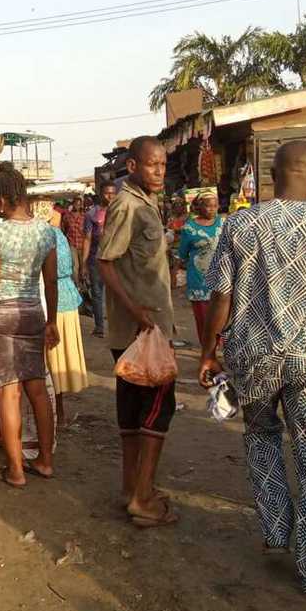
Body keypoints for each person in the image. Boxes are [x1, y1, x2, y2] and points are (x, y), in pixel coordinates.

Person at [199, 140, 306, 600]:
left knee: (261, 435)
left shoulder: (240, 222)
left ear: (271, 173)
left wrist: (208, 351)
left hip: (252, 355)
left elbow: (220, 298)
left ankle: (276, 528)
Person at [97, 136, 179, 528]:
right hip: (141, 331)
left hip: (143, 327)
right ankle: (142, 498)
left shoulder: (146, 202)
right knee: (156, 413)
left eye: (163, 165)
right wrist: (138, 312)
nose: (159, 171)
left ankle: (133, 489)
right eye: (152, 165)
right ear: (133, 167)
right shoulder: (127, 206)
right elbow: (106, 264)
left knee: (133, 414)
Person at [0, 167, 59, 487]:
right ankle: (46, 462)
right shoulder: (46, 233)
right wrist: (51, 320)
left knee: (8, 394)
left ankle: (16, 470)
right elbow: (50, 281)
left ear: (4, 199)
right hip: (33, 312)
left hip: (3, 317)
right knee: (37, 389)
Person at [46, 226, 88, 426]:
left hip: (52, 301)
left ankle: (56, 414)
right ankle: (58, 413)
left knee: (52, 363)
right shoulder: (59, 234)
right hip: (66, 298)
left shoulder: (45, 234)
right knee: (58, 363)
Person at [176, 187, 223, 340]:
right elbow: (182, 254)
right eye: (208, 205)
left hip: (221, 279)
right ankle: (207, 352)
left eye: (215, 205)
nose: (212, 209)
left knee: (221, 317)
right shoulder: (189, 228)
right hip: (198, 280)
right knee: (203, 318)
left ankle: (218, 349)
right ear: (199, 206)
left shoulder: (223, 223)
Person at [81, 184, 115, 338]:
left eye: (113, 193)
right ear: (101, 194)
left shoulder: (119, 211)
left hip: (116, 260)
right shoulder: (91, 214)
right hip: (96, 260)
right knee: (97, 293)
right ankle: (100, 327)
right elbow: (87, 239)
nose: (110, 196)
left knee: (116, 294)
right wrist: (84, 263)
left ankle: (118, 327)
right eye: (107, 193)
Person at [60, 196, 87, 280]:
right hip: (72, 244)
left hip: (83, 244)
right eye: (76, 204)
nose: (77, 206)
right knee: (75, 266)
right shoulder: (67, 216)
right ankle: (77, 285)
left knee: (83, 265)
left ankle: (85, 284)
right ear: (73, 204)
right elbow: (63, 228)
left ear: (81, 205)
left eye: (79, 204)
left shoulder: (85, 216)